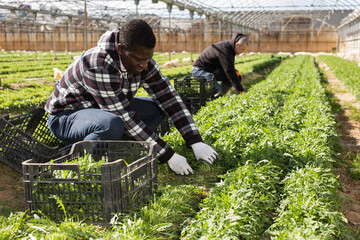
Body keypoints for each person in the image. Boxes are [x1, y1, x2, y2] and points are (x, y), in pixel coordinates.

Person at [45, 19, 219, 175]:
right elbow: (124, 116)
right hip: (66, 117)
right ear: (121, 49)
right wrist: (167, 155)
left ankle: (115, 145)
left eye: (148, 58)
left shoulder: (143, 62)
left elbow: (169, 97)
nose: (144, 65)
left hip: (100, 109)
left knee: (158, 109)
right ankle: (82, 161)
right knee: (112, 124)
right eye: (139, 60)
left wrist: (195, 140)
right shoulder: (97, 64)